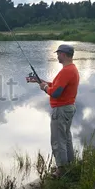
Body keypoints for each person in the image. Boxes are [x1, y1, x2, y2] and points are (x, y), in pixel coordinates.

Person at [26, 44, 80, 178]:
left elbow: (55, 93)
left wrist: (45, 88)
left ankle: (61, 170)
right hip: (68, 108)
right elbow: (58, 87)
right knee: (66, 138)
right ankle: (69, 164)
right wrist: (41, 82)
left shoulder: (66, 71)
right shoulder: (71, 69)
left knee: (58, 140)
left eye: (59, 53)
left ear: (65, 54)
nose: (57, 56)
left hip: (61, 110)